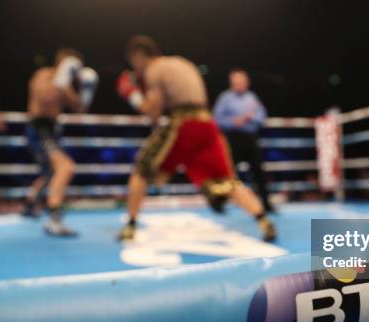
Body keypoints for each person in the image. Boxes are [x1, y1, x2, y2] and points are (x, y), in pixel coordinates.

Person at [116, 35, 276, 241]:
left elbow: (152, 113)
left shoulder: (155, 70)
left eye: (134, 63)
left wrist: (131, 93)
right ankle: (264, 221)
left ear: (138, 57)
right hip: (207, 126)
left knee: (141, 168)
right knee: (229, 180)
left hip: (183, 125)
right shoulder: (183, 63)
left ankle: (130, 226)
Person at [24, 48, 99, 236]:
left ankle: (29, 202)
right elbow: (44, 98)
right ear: (64, 63)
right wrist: (62, 79)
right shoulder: (44, 75)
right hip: (39, 128)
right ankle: (54, 220)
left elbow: (80, 108)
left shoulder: (64, 84)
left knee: (51, 171)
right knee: (65, 168)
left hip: (52, 129)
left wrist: (87, 89)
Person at [213, 69, 274, 212]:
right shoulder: (225, 98)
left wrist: (251, 118)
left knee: (258, 172)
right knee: (227, 172)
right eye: (236, 81)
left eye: (241, 80)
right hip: (232, 139)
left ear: (246, 82)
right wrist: (233, 122)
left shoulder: (252, 97)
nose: (239, 83)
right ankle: (221, 203)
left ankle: (266, 204)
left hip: (250, 138)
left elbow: (262, 116)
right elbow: (216, 119)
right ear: (232, 82)